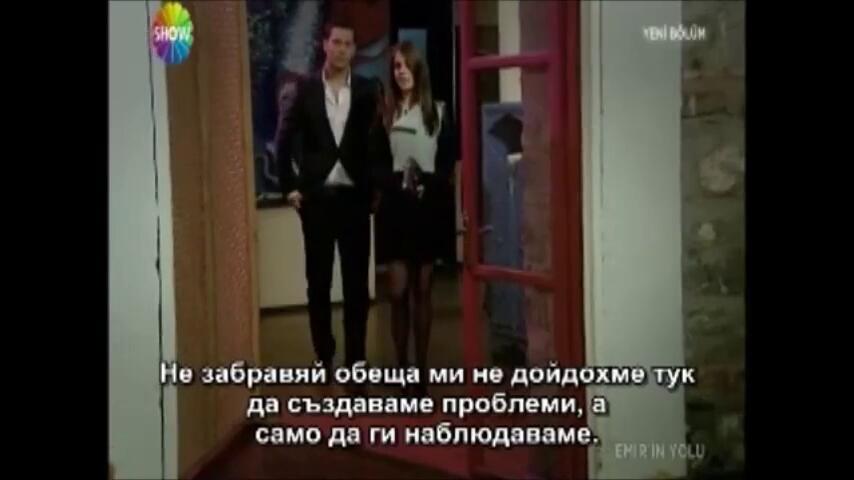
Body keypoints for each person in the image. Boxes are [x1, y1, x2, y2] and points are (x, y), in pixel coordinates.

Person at [276, 18, 391, 388]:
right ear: (324, 44)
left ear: (354, 50)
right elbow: (283, 140)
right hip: (318, 202)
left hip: (355, 201)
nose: (342, 49)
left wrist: (377, 188)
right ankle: (324, 355)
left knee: (357, 288)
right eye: (336, 42)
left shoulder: (367, 89)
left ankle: (356, 361)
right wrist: (289, 187)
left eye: (348, 44)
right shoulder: (305, 89)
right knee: (319, 284)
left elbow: (378, 143)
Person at [378, 41, 457, 397]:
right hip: (395, 208)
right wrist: (394, 181)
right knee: (397, 291)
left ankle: (421, 370)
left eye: (407, 65)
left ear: (418, 69)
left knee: (422, 290)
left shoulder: (438, 112)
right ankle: (401, 366)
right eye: (397, 66)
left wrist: (427, 181)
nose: (402, 71)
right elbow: (375, 162)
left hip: (426, 209)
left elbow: (448, 164)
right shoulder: (385, 113)